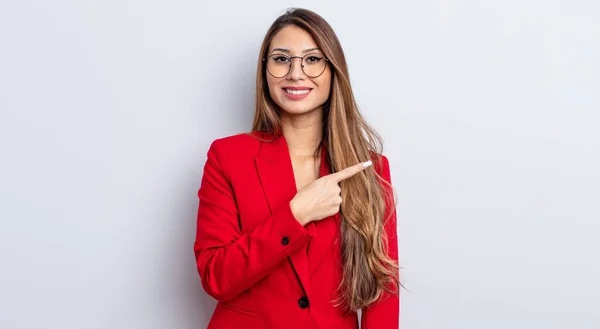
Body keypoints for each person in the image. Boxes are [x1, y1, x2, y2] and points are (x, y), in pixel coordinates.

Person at [193, 8, 400, 329]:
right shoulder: (227, 156)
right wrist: (295, 215)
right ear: (265, 72)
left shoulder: (370, 168)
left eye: (313, 59)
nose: (295, 73)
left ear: (333, 70)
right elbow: (216, 277)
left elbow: (382, 293)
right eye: (281, 59)